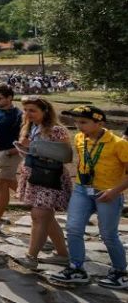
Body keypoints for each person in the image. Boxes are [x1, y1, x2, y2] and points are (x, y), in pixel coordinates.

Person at [48, 106, 128, 289]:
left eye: (83, 122)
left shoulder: (119, 144)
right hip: (82, 190)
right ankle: (76, 268)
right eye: (76, 122)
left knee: (108, 235)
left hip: (107, 193)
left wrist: (114, 191)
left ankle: (120, 272)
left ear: (100, 123)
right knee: (73, 228)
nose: (78, 126)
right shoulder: (79, 138)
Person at [14, 96, 71, 268]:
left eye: (32, 110)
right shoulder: (29, 127)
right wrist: (23, 148)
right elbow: (30, 154)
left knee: (39, 216)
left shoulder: (57, 130)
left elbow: (66, 156)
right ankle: (62, 254)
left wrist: (34, 147)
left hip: (49, 177)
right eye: (26, 110)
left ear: (45, 111)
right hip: (33, 174)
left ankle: (31, 257)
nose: (28, 113)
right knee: (46, 217)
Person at [0, 83, 23, 231]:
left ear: (9, 98)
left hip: (11, 152)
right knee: (4, 184)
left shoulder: (19, 115)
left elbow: (26, 137)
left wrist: (11, 151)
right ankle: (32, 198)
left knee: (1, 182)